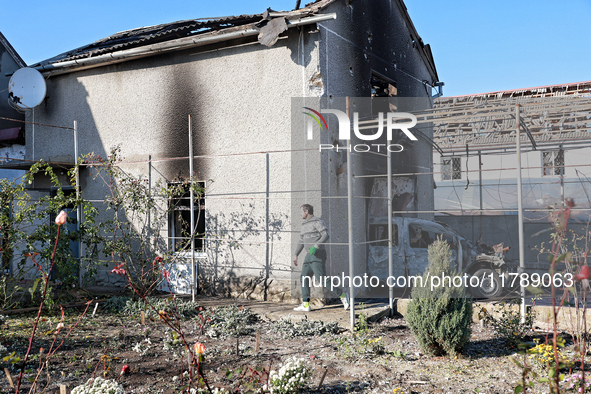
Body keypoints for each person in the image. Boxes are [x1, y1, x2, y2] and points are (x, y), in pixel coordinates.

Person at [292, 204, 349, 312]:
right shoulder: (304, 225)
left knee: (322, 280)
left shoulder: (317, 221)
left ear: (306, 211)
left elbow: (326, 235)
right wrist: (296, 254)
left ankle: (342, 295)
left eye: (301, 212)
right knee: (304, 277)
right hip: (309, 255)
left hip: (318, 254)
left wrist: (316, 246)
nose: (300, 214)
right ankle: (305, 304)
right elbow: (301, 241)